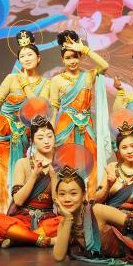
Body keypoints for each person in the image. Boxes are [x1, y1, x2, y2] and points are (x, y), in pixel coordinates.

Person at [0, 30, 50, 230]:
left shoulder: (46, 84)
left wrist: (25, 85)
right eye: (22, 56)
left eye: (30, 54)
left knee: (19, 178)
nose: (26, 58)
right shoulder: (10, 78)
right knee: (3, 179)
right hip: (2, 131)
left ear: (39, 57)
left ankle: (10, 216)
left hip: (24, 136)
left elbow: (37, 108)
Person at [47, 29, 110, 198]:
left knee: (92, 161)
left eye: (75, 56)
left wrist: (84, 49)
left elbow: (105, 66)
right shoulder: (56, 80)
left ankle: (90, 201)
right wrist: (50, 133)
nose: (72, 61)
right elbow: (54, 109)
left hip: (86, 126)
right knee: (66, 163)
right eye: (68, 58)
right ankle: (68, 202)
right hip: (65, 126)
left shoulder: (89, 76)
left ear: (80, 57)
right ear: (62, 59)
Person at [0, 115, 61, 248]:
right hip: (22, 219)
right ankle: (40, 239)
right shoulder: (22, 164)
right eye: (40, 138)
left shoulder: (59, 166)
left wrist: (53, 177)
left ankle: (18, 237)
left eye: (50, 136)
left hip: (46, 220)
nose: (46, 141)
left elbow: (59, 204)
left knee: (66, 221)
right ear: (32, 141)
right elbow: (18, 201)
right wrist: (34, 176)